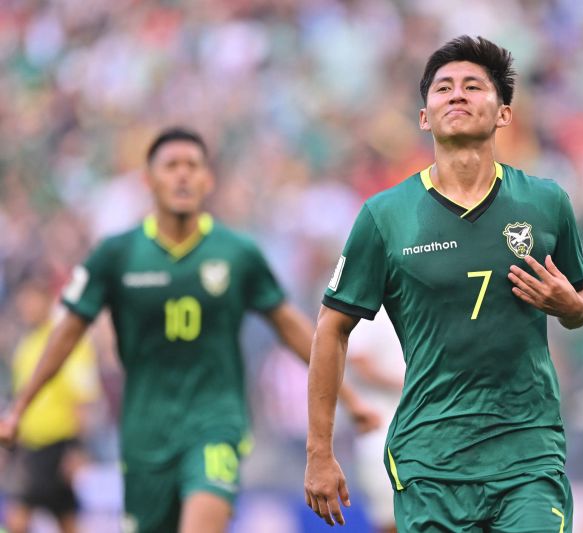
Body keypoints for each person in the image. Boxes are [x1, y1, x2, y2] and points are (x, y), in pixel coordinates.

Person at [0, 127, 378, 533]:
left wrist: (351, 400)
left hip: (215, 423)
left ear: (207, 180)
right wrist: (20, 408)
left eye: (192, 166)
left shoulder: (236, 253)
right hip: (146, 434)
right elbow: (67, 332)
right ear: (148, 181)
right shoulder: (117, 254)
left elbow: (291, 327)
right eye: (171, 166)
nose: (182, 175)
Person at [304, 35, 583, 532]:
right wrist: (319, 452)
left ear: (503, 112)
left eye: (473, 86)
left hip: (527, 452)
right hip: (430, 459)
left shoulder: (545, 203)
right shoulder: (386, 217)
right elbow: (331, 329)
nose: (457, 95)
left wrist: (574, 308)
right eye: (443, 88)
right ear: (425, 116)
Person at [2, 274, 100, 533]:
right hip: (31, 449)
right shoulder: (26, 344)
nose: (27, 308)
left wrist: (77, 449)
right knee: (18, 520)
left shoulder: (67, 342)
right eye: (24, 302)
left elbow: (82, 400)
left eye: (32, 301)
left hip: (59, 447)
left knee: (63, 522)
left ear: (48, 301)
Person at [345, 307, 405, 533]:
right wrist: (412, 384)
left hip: (424, 428)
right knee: (390, 520)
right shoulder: (370, 310)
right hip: (381, 432)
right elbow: (360, 362)